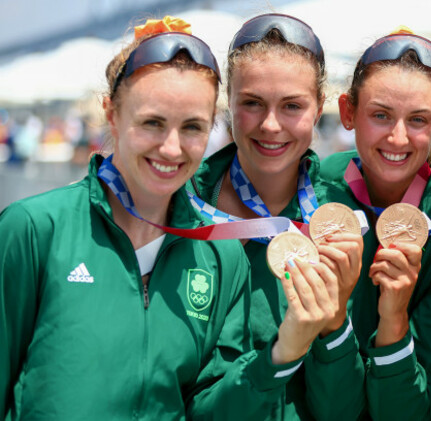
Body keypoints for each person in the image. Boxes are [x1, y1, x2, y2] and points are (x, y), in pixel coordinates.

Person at [0, 16, 310, 419]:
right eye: (152, 123)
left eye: (193, 127)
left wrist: (283, 351)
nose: (171, 148)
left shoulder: (222, 256)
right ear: (111, 113)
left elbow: (209, 411)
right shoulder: (35, 230)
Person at [187, 13, 364, 420]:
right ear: (227, 101)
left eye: (292, 106)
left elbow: (342, 411)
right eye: (252, 103)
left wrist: (334, 323)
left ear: (319, 107)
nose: (270, 125)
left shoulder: (343, 222)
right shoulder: (180, 208)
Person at [319, 29, 431, 419]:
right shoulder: (316, 185)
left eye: (417, 120)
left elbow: (416, 407)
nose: (398, 137)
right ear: (347, 112)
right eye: (380, 115)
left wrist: (395, 318)